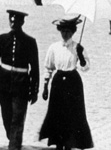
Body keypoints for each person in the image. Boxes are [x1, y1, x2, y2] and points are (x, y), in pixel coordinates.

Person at [0, 10, 39, 150]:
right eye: (12, 21)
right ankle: (14, 141)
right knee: (7, 118)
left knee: (17, 119)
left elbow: (35, 68)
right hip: (3, 84)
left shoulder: (30, 42)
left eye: (17, 22)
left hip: (22, 85)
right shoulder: (2, 40)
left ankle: (14, 145)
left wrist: (34, 90)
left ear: (22, 22)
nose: (14, 24)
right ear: (9, 21)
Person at [39, 16, 93, 150]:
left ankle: (69, 144)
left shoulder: (77, 47)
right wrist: (45, 86)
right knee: (57, 116)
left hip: (73, 83)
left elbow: (85, 67)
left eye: (68, 31)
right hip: (58, 84)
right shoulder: (54, 47)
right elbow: (48, 67)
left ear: (73, 32)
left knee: (72, 116)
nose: (65, 34)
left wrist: (80, 55)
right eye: (63, 31)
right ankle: (58, 144)